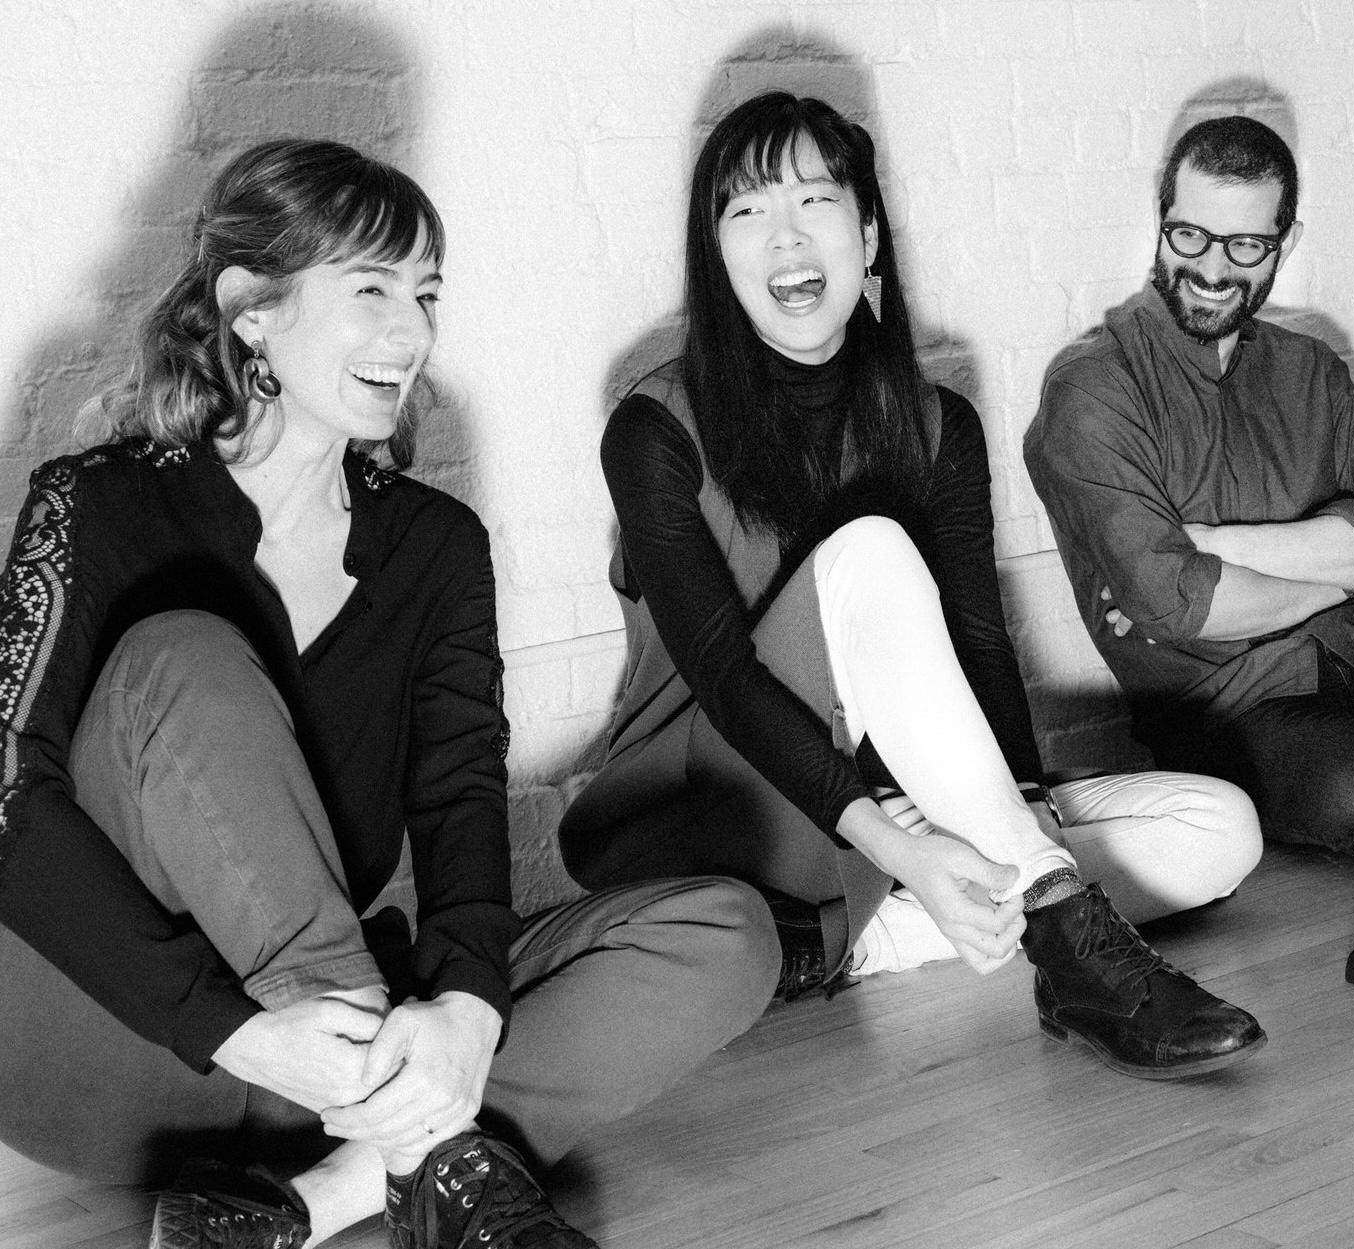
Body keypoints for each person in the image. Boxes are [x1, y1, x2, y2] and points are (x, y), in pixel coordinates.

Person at [0, 139, 778, 1249]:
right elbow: (5, 806)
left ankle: (309, 1202)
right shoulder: (99, 502)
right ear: (251, 310)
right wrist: (235, 1027)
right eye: (371, 289)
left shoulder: (433, 544)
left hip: (312, 1061)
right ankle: (435, 1157)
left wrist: (463, 1010)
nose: (411, 333)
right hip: (109, 1041)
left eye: (425, 295)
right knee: (179, 652)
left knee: (728, 933)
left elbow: (462, 797)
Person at [559, 91, 1266, 1080]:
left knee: (1219, 830)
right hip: (721, 811)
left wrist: (1019, 810)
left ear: (867, 230)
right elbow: (722, 675)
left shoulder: (937, 423)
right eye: (748, 211)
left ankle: (839, 947)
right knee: (872, 553)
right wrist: (907, 848)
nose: (787, 237)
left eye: (815, 200)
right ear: (714, 253)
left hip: (896, 810)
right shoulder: (654, 427)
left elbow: (983, 641)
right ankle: (1050, 922)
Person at [1024, 116, 1354, 862]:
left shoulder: (1309, 367)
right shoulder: (1090, 389)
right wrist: (1334, 574)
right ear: (1160, 223)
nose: (1212, 270)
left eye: (1246, 245)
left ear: (1286, 241)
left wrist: (1217, 547)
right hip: (1226, 712)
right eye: (1191, 236)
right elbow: (1176, 603)